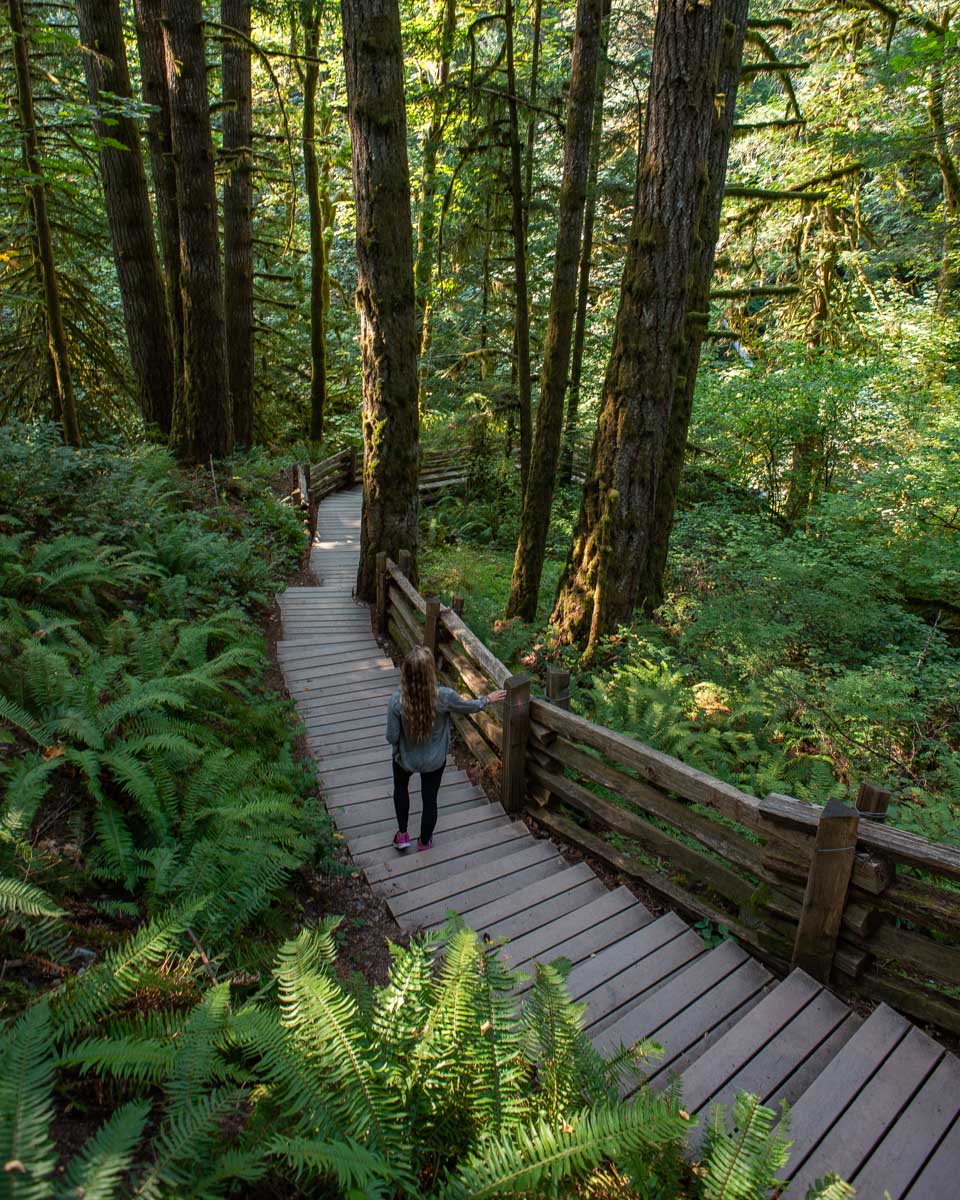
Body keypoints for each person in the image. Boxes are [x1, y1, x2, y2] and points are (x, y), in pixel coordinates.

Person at [386, 645, 505, 851]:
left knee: (400, 788)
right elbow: (470, 707)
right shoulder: (444, 696)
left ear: (406, 673)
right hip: (434, 760)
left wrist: (401, 748)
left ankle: (403, 835)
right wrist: (487, 699)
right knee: (430, 799)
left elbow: (392, 737)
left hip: (406, 759)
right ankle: (424, 841)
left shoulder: (397, 701)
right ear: (430, 671)